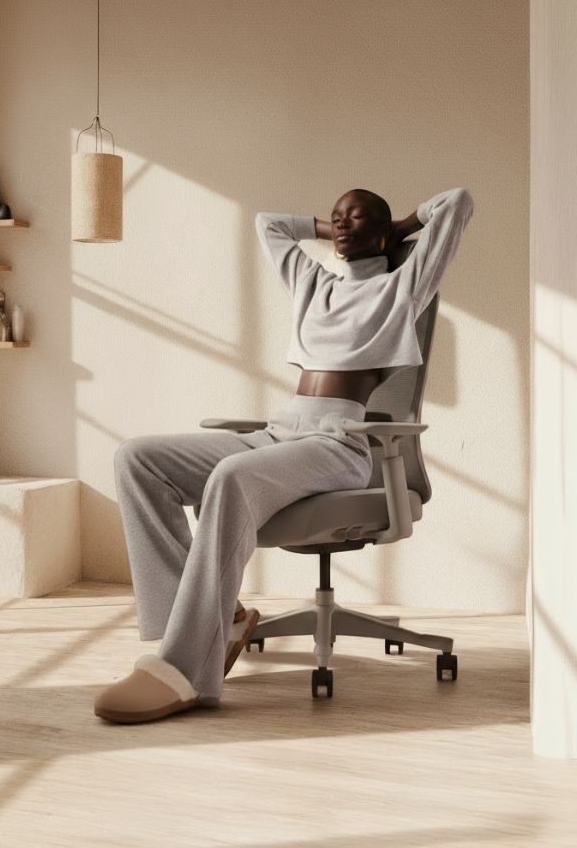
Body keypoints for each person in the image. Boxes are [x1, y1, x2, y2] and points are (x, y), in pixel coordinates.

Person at [94, 186, 474, 723]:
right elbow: (268, 224)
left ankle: (184, 667)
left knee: (230, 477)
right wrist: (326, 229)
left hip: (337, 442)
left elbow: (456, 203)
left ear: (383, 230)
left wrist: (403, 227)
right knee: (137, 459)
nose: (342, 224)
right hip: (280, 430)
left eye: (356, 217)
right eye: (337, 217)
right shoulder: (313, 282)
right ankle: (214, 622)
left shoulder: (401, 289)